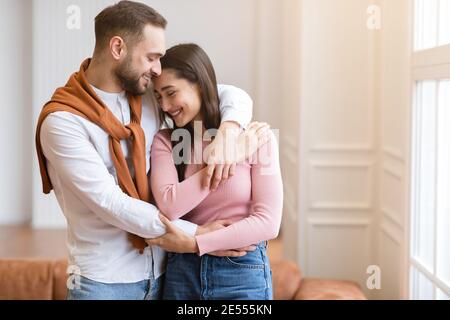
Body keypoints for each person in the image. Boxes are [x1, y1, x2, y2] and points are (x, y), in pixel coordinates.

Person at [35, 1, 269, 300]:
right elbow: (110, 202)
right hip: (103, 281)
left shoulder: (146, 97)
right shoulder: (62, 122)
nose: (158, 69)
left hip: (163, 272)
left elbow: (220, 92)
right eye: (152, 57)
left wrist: (229, 131)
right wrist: (196, 235)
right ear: (118, 48)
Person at [149, 43, 283, 300]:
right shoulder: (166, 141)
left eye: (171, 93)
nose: (165, 106)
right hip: (182, 272)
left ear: (200, 84)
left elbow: (268, 223)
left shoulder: (257, 139)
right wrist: (226, 158)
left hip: (241, 270)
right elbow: (169, 206)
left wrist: (196, 243)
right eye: (158, 97)